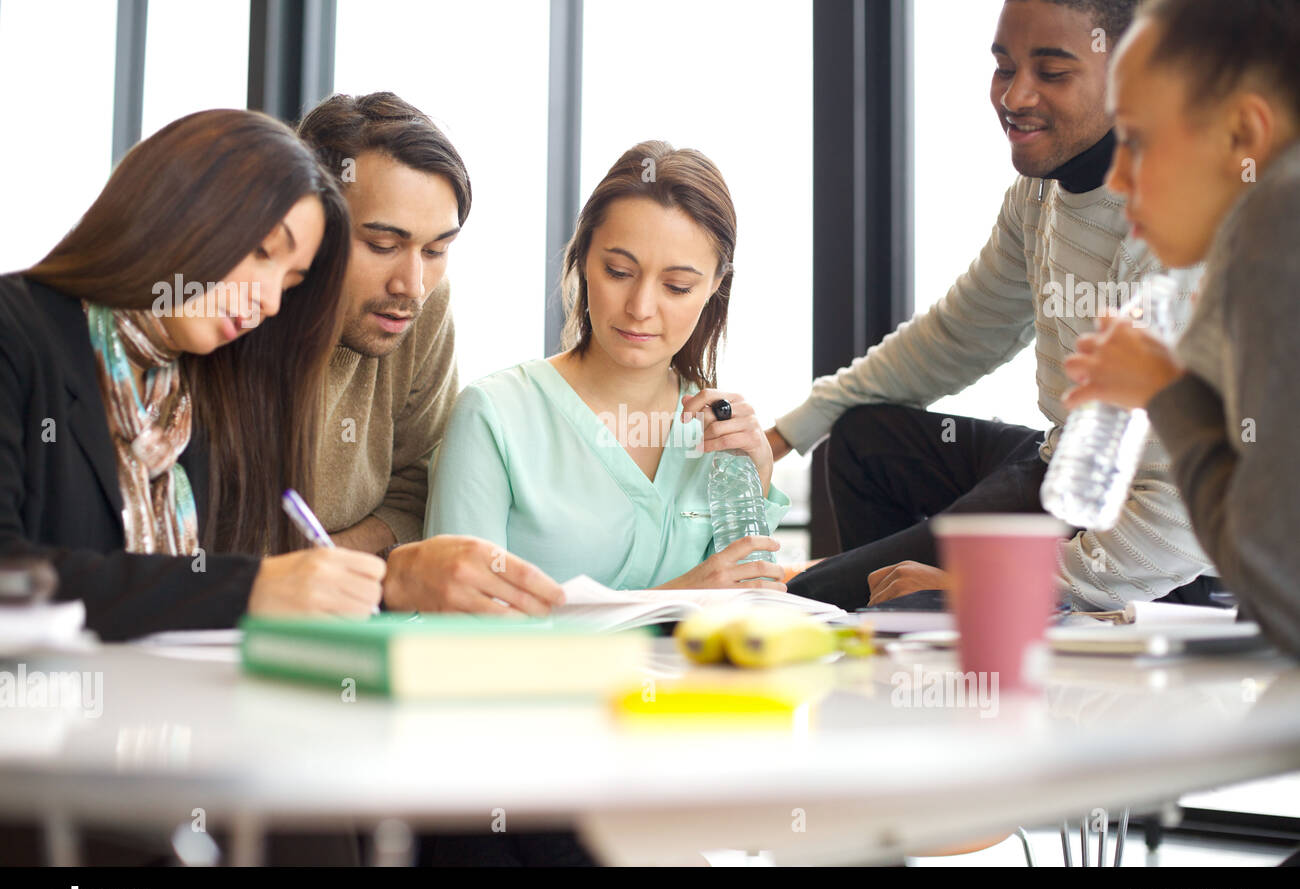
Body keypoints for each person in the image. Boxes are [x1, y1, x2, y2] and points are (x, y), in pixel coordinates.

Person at [767, 0, 1219, 612]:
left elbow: (1181, 511)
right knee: (863, 440)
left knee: (818, 596)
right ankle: (907, 623)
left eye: (1052, 73)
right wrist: (783, 435)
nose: (1015, 96)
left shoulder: (1178, 224)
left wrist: (991, 590)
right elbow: (956, 338)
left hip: (1156, 538)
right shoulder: (1037, 195)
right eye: (1005, 67)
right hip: (1063, 467)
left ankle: (917, 612)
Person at [0, 109, 386, 641]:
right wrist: (245, 588)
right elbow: (8, 575)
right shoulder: (16, 333)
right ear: (174, 211)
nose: (269, 301)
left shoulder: (209, 392)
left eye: (291, 282)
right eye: (261, 252)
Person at [426, 141, 788, 590]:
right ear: (582, 258)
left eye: (676, 287)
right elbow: (454, 634)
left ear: (715, 285)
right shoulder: (493, 416)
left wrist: (756, 484)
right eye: (618, 272)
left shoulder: (715, 431)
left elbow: (751, 615)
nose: (640, 307)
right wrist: (675, 598)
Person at [1063, 0, 1300, 655]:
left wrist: (1165, 391)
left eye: (1135, 140)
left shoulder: (1278, 215)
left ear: (1244, 137)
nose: (1115, 176)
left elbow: (1280, 586)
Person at [297, 92, 565, 616]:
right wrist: (376, 566)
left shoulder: (420, 307)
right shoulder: (234, 314)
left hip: (341, 621)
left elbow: (420, 487)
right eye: (381, 244)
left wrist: (331, 565)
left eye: (437, 250)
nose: (412, 284)